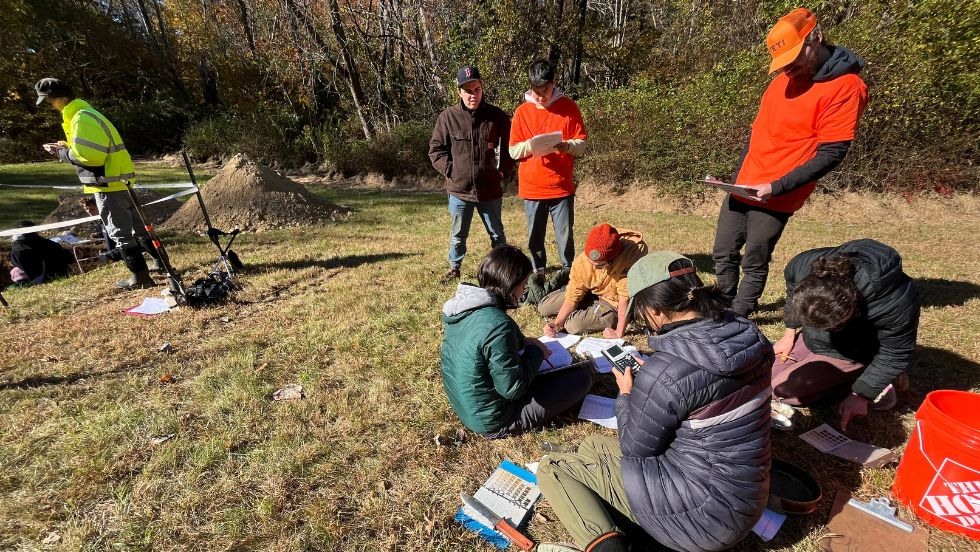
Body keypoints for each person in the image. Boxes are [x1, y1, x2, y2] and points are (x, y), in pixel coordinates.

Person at [537, 252, 773, 552]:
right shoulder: (750, 337)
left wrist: (626, 393)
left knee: (553, 467)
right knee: (591, 446)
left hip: (697, 521)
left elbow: (634, 447)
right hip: (746, 497)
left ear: (656, 310)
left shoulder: (665, 372)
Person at [712, 8, 869, 317]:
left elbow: (832, 152)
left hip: (777, 194)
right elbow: (757, 137)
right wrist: (734, 178)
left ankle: (739, 314)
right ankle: (720, 304)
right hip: (743, 186)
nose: (789, 69)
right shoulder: (779, 83)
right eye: (782, 63)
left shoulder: (846, 87)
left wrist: (777, 186)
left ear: (816, 38)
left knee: (754, 258)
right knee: (723, 251)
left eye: (795, 58)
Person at [440, 245, 593, 439]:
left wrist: (522, 342)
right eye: (523, 285)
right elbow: (512, 389)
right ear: (509, 285)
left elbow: (482, 346)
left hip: (469, 407)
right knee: (581, 378)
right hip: (496, 421)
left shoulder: (464, 309)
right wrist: (537, 353)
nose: (523, 293)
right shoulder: (498, 325)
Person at [771, 239, 920, 431]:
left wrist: (861, 396)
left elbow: (895, 353)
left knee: (784, 391)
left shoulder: (896, 301)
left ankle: (870, 379)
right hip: (815, 340)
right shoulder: (804, 264)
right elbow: (793, 289)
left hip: (855, 350)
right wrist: (789, 332)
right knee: (762, 377)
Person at [35, 77, 163, 289]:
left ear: (58, 98)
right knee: (141, 229)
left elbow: (91, 157)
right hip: (119, 180)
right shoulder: (87, 114)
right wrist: (68, 146)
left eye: (49, 102)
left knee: (120, 234)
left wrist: (63, 153)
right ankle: (161, 263)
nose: (50, 106)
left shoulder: (79, 118)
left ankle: (141, 277)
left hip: (107, 184)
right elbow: (95, 148)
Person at [429, 65, 515, 283]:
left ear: (482, 88)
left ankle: (503, 268)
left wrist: (503, 170)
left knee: (497, 234)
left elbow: (510, 146)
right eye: (467, 91)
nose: (472, 95)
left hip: (489, 189)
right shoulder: (447, 118)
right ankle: (454, 267)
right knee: (458, 235)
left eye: (476, 89)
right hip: (459, 190)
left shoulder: (496, 116)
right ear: (459, 92)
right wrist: (450, 171)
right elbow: (435, 150)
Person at [509, 59, 587, 277]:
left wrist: (567, 146)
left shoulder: (569, 108)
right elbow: (513, 151)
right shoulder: (522, 112)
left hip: (561, 187)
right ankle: (538, 270)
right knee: (535, 235)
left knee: (564, 233)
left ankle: (567, 270)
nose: (541, 96)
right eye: (536, 91)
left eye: (545, 90)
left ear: (554, 83)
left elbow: (581, 145)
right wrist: (532, 146)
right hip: (532, 188)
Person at [539, 224, 647, 338]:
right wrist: (557, 324)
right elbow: (572, 297)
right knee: (544, 307)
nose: (594, 268)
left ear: (612, 260)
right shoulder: (581, 262)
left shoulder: (631, 255)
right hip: (591, 292)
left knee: (573, 326)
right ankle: (585, 306)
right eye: (591, 263)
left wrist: (618, 333)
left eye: (600, 265)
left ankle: (596, 313)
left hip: (612, 302)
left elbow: (625, 298)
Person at [9, 221, 75, 284]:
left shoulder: (17, 249)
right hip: (62, 274)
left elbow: (16, 264)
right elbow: (69, 259)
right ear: (35, 231)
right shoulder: (48, 244)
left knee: (15, 271)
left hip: (38, 280)